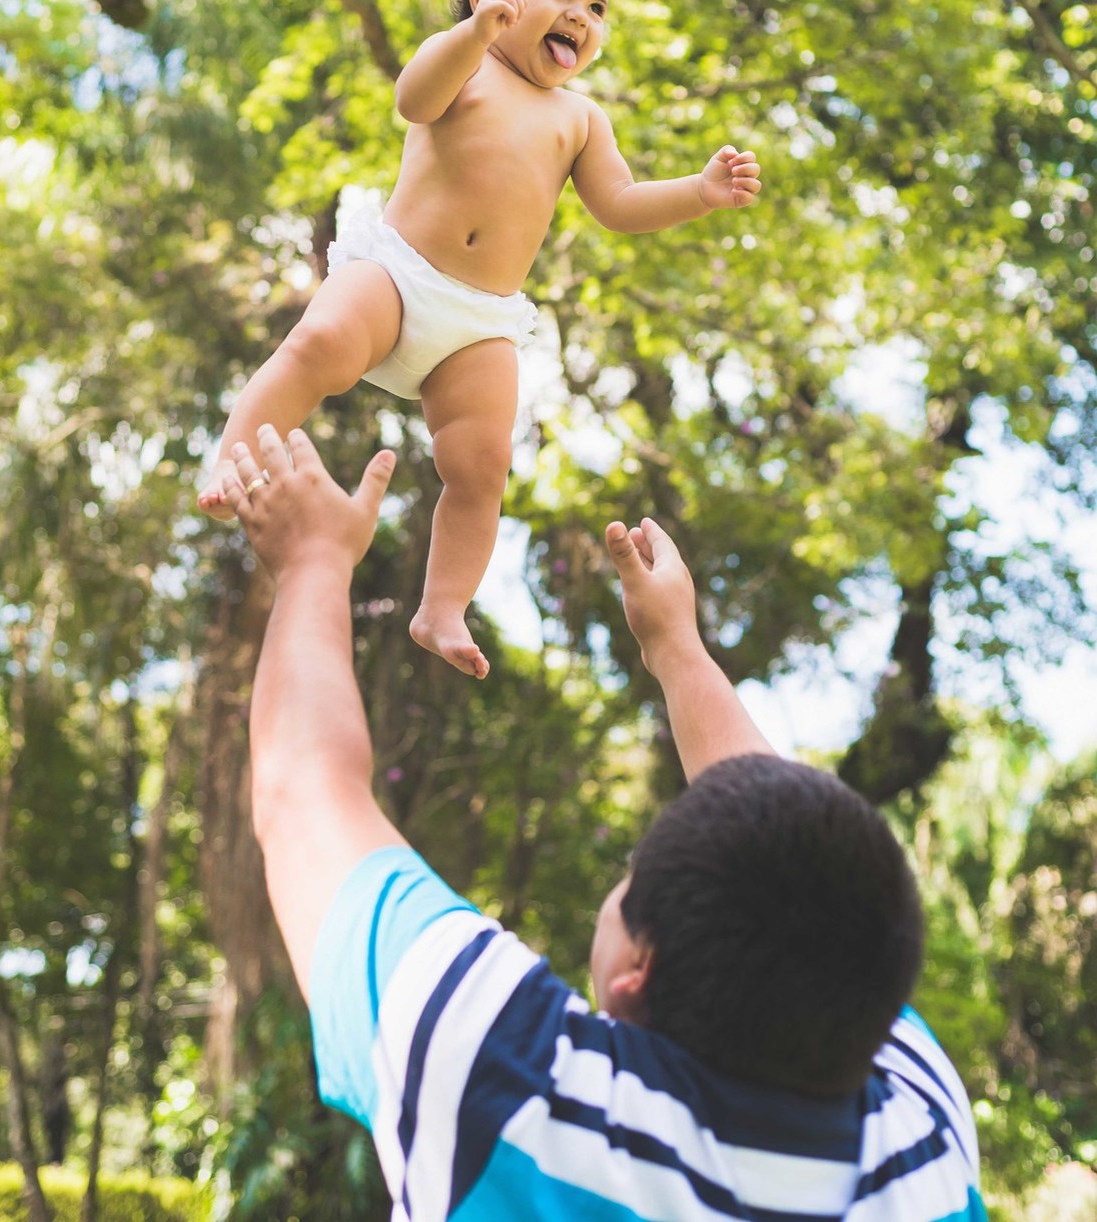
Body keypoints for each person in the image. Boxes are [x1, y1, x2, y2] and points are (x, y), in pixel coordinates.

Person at [229, 423, 988, 1222]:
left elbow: (307, 796)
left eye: (632, 875)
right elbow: (800, 877)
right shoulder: (923, 1147)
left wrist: (312, 561)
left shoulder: (509, 1088)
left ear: (637, 969)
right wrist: (677, 649)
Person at [199, 0, 762, 679]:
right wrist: (473, 35)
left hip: (478, 322)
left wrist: (699, 192)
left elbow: (620, 203)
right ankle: (231, 464)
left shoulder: (580, 118)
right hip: (396, 275)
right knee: (318, 345)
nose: (580, 16)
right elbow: (413, 98)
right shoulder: (464, 64)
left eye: (598, 8)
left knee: (483, 463)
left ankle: (442, 607)